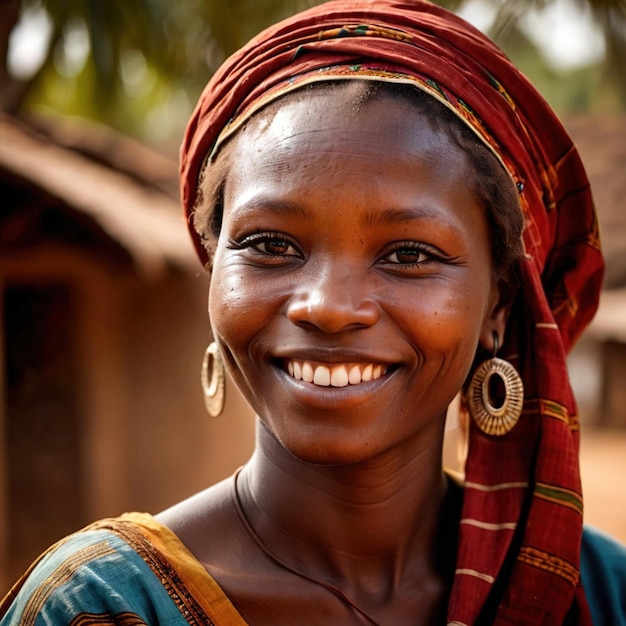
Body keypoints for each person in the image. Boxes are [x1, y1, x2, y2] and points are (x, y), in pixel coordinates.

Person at [2, 0, 625, 624]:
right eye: (271, 246)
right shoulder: (98, 608)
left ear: (500, 304)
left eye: (408, 254)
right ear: (213, 270)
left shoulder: (601, 590)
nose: (327, 307)